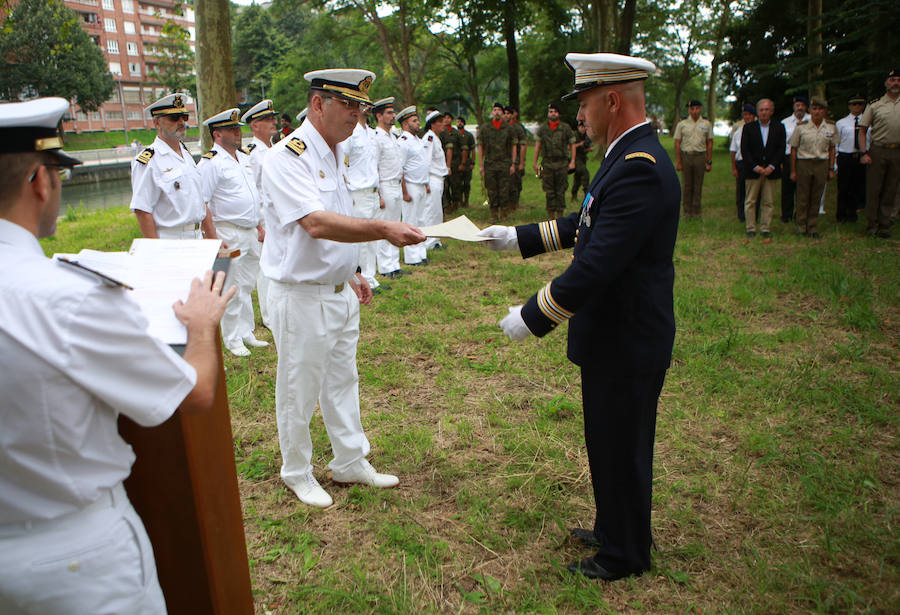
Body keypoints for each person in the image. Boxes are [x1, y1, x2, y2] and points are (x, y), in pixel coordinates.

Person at [0, 97, 235, 613]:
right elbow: (192, 394)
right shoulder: (69, 297)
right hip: (71, 560)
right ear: (41, 181)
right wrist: (200, 328)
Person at [477, 52, 679, 581]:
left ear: (612, 100)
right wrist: (517, 238)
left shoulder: (640, 168)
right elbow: (584, 221)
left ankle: (626, 553)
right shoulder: (624, 155)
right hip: (616, 335)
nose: (579, 117)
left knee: (623, 446)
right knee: (608, 440)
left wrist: (533, 314)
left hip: (627, 336)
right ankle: (614, 528)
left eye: (584, 103)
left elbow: (597, 265)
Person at [259, 69, 426, 508]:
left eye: (360, 107)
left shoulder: (336, 151)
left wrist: (352, 271)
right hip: (301, 294)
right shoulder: (286, 156)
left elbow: (336, 212)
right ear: (318, 105)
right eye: (348, 105)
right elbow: (314, 223)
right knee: (299, 386)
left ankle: (350, 460)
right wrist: (382, 229)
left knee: (342, 380)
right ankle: (296, 470)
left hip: (337, 289)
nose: (356, 115)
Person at [198, 108, 269, 356]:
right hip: (228, 232)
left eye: (238, 128)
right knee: (230, 285)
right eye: (231, 129)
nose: (238, 133)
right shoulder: (211, 163)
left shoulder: (244, 158)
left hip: (249, 230)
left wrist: (259, 225)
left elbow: (254, 195)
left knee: (247, 284)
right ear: (217, 134)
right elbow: (203, 202)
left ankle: (246, 331)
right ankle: (231, 337)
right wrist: (213, 237)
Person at [130, 93, 216, 240]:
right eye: (174, 118)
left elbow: (201, 201)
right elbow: (142, 210)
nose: (181, 122)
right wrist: (156, 249)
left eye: (184, 117)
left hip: (197, 236)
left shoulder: (186, 154)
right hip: (172, 238)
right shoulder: (149, 160)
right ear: (157, 123)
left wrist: (213, 238)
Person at [241, 99, 280, 329]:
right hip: (264, 219)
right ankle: (268, 316)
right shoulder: (252, 153)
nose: (273, 122)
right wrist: (258, 226)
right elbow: (252, 191)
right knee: (265, 269)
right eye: (267, 119)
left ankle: (275, 309)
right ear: (255, 126)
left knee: (276, 265)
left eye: (273, 118)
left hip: (277, 217)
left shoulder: (274, 149)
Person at [345, 104, 384, 293]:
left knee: (373, 237)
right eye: (363, 104)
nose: (367, 107)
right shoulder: (350, 133)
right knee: (361, 240)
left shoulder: (370, 133)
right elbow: (342, 165)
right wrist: (346, 193)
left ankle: (371, 276)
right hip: (358, 192)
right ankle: (361, 279)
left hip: (372, 191)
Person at [859, 68, 900, 238]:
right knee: (874, 189)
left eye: (898, 80)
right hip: (877, 150)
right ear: (886, 83)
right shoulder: (875, 105)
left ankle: (885, 225)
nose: (895, 83)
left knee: (891, 189)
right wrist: (864, 152)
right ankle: (872, 225)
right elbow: (862, 131)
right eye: (892, 80)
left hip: (897, 151)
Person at [789, 98, 838, 238]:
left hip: (821, 163)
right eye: (814, 109)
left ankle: (812, 226)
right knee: (803, 196)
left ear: (825, 111)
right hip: (804, 162)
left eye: (820, 109)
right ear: (810, 111)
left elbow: (832, 149)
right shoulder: (801, 126)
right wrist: (793, 170)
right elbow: (793, 149)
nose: (817, 112)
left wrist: (831, 168)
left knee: (817, 196)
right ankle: (801, 225)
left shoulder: (830, 127)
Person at [371, 97, 406, 279]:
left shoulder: (393, 136)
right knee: (386, 227)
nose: (393, 116)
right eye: (389, 113)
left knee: (396, 225)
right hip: (385, 185)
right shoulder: (376, 138)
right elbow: (374, 167)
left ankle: (394, 264)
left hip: (396, 185)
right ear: (379, 116)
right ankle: (385, 267)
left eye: (393, 112)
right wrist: (378, 195)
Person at [740, 98, 786, 239]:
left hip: (771, 171)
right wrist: (755, 167)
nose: (764, 112)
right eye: (761, 110)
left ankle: (765, 228)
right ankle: (751, 228)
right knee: (750, 201)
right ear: (757, 112)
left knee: (768, 201)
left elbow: (781, 149)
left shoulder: (779, 127)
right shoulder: (748, 128)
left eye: (767, 109)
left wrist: (772, 166)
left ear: (771, 111)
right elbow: (745, 150)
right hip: (753, 171)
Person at [396, 105, 430, 266]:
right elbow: (400, 168)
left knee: (421, 220)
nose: (418, 123)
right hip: (410, 186)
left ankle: (421, 253)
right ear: (404, 124)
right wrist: (404, 192)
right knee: (411, 222)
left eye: (418, 120)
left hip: (421, 185)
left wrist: (427, 184)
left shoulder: (418, 140)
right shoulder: (403, 142)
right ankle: (411, 257)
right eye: (414, 121)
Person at [533, 102, 576, 219]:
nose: (553, 114)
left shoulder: (565, 128)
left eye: (555, 112)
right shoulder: (543, 128)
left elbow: (572, 144)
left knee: (560, 190)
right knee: (549, 190)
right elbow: (538, 145)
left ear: (559, 114)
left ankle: (560, 216)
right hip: (547, 163)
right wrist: (535, 162)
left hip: (562, 163)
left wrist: (572, 161)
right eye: (551, 112)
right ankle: (551, 217)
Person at [673, 99, 713, 219]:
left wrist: (709, 161)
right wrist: (679, 161)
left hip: (700, 156)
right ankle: (686, 211)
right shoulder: (682, 124)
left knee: (698, 185)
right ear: (689, 110)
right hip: (686, 156)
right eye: (692, 109)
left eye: (697, 108)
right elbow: (677, 143)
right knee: (687, 185)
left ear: (701, 109)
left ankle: (696, 211)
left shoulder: (706, 124)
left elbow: (710, 143)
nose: (694, 111)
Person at [478, 102, 517, 222]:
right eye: (495, 110)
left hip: (504, 163)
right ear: (492, 113)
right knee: (491, 190)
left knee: (504, 189)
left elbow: (513, 146)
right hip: (490, 164)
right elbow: (481, 147)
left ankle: (504, 214)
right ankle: (494, 214)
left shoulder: (509, 128)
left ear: (502, 113)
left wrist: (513, 163)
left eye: (499, 110)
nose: (497, 112)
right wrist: (481, 165)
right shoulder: (485, 128)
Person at [834, 94, 868, 223]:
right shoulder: (841, 123)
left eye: (860, 104)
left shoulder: (868, 122)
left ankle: (852, 214)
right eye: (854, 104)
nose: (857, 107)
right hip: (845, 156)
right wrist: (835, 161)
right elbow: (836, 142)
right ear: (849, 106)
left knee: (857, 186)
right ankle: (841, 214)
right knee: (843, 187)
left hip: (860, 156)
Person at [781, 96, 811, 223]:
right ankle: (786, 215)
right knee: (787, 188)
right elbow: (781, 143)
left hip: (805, 157)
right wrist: (781, 161)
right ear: (794, 106)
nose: (799, 107)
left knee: (804, 188)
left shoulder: (812, 121)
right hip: (788, 157)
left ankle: (801, 215)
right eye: (797, 105)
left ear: (806, 107)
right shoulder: (785, 122)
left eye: (802, 105)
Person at [422, 110, 448, 251]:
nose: (442, 124)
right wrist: (425, 182)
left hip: (438, 178)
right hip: (432, 179)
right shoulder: (429, 138)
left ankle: (435, 240)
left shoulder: (435, 138)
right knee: (430, 212)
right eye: (439, 122)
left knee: (437, 211)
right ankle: (428, 241)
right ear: (432, 124)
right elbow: (425, 161)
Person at [730, 103, 757, 222]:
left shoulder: (758, 130)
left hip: (755, 163)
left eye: (749, 115)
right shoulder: (738, 132)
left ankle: (755, 214)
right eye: (745, 115)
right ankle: (741, 215)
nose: (747, 117)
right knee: (741, 191)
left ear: (754, 116)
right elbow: (733, 150)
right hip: (741, 163)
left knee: (754, 191)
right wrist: (734, 168)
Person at [439, 111, 460, 214]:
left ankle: (456, 203)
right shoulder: (440, 133)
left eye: (448, 118)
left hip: (455, 162)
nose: (446, 120)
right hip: (442, 163)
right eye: (444, 118)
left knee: (455, 184)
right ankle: (446, 205)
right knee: (445, 186)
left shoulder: (456, 133)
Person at [508, 106, 528, 211]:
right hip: (505, 160)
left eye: (508, 113)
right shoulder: (504, 127)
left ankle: (514, 203)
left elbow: (523, 145)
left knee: (515, 183)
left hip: (517, 159)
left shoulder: (518, 127)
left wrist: (521, 162)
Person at [456, 116, 476, 208]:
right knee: (458, 183)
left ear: (464, 124)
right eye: (457, 122)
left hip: (467, 162)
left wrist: (473, 162)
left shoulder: (469, 135)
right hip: (457, 161)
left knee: (467, 183)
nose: (459, 123)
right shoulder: (454, 134)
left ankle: (466, 200)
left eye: (460, 122)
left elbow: (473, 149)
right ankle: (459, 201)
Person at [571, 122, 593, 202]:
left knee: (578, 177)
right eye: (581, 127)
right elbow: (569, 147)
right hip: (575, 158)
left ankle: (574, 194)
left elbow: (585, 148)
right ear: (578, 127)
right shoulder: (574, 135)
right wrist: (580, 144)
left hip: (583, 158)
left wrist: (589, 149)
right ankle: (586, 193)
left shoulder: (586, 136)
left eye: (584, 127)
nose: (583, 129)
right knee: (585, 173)